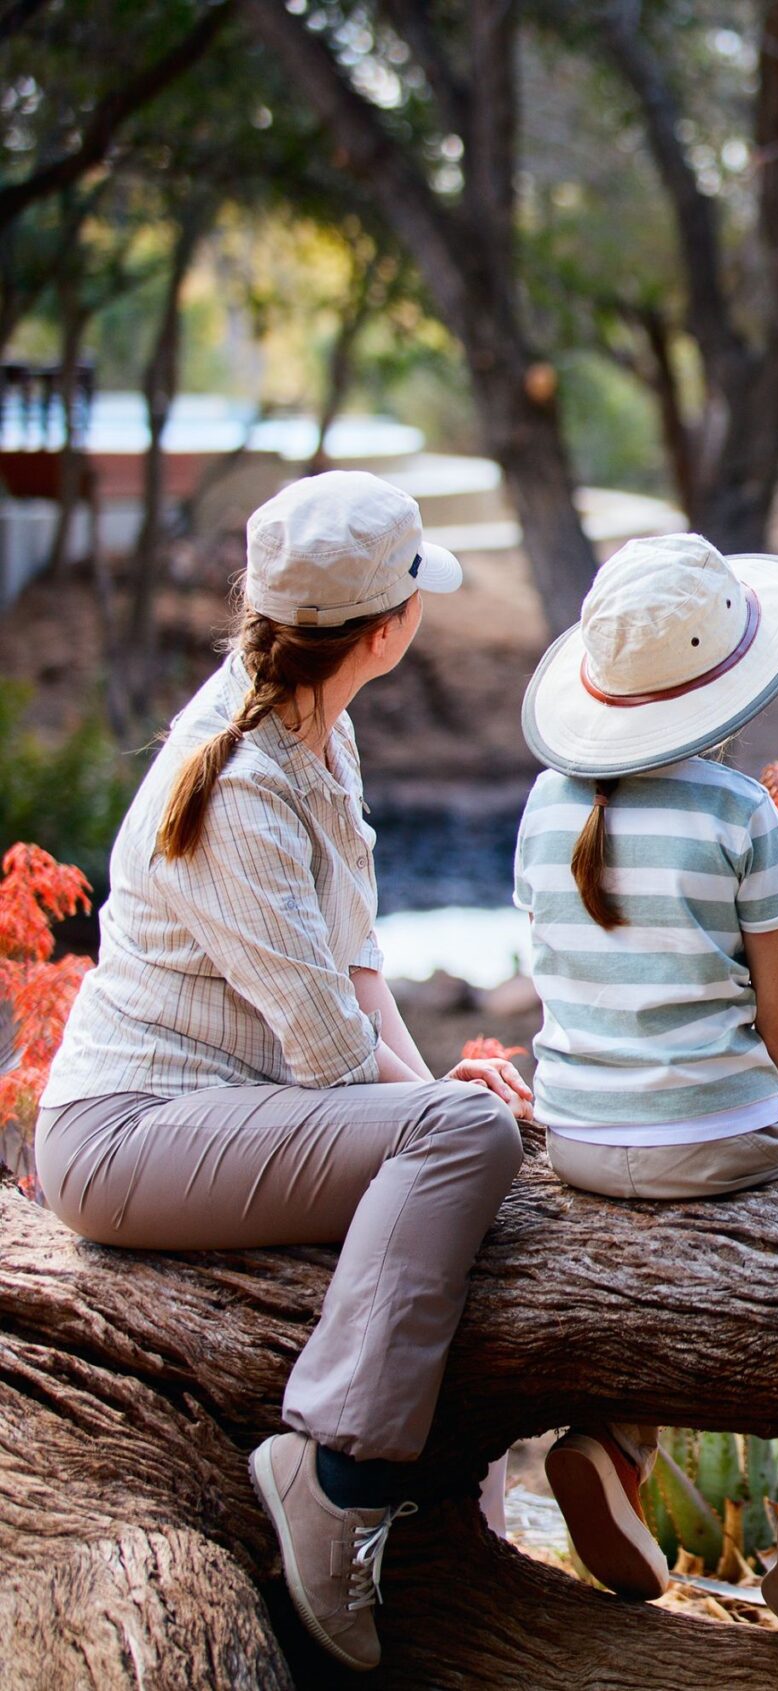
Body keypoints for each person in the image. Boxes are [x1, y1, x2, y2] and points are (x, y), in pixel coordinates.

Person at [32, 471, 533, 1673]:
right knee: (467, 1143)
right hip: (126, 1134)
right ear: (386, 627)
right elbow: (324, 1051)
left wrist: (443, 1085)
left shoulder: (319, 726)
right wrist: (447, 1118)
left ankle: (453, 1517)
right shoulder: (240, 780)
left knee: (470, 1131)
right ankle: (335, 1470)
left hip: (223, 1115)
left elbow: (357, 971)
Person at [510, 531, 778, 1611]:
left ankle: (617, 1439)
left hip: (579, 1137)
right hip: (721, 1138)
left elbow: (551, 974)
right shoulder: (739, 813)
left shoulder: (545, 804)